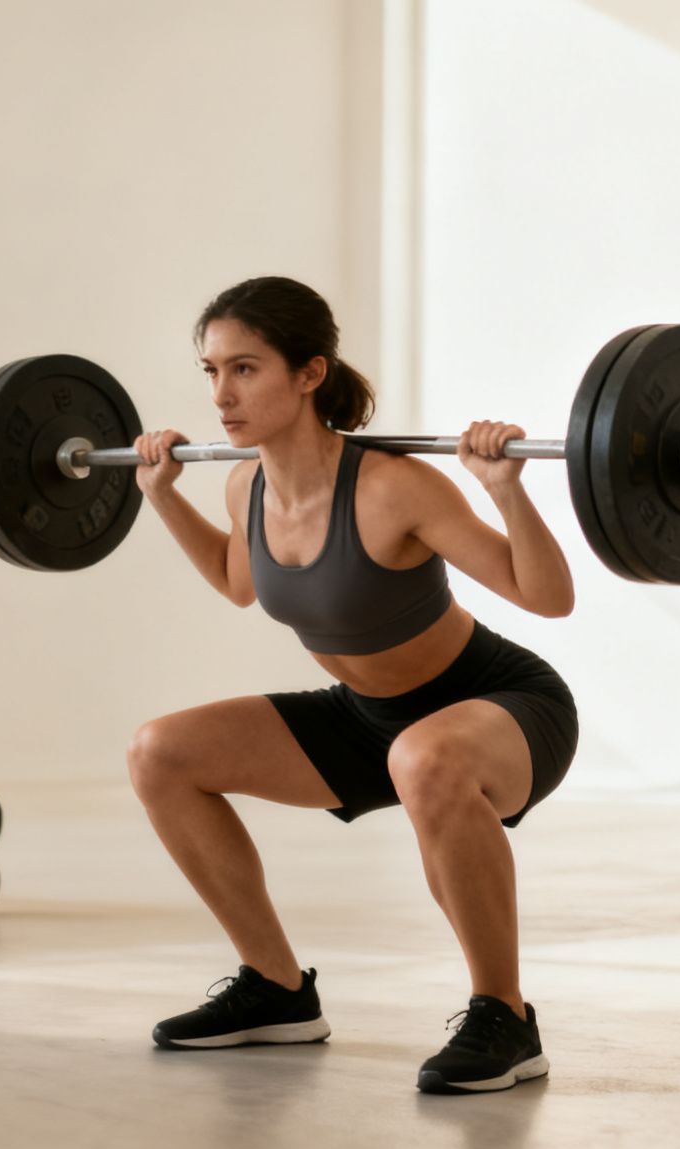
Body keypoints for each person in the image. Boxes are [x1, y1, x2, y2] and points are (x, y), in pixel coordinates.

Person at [125, 275, 579, 1093]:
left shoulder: (390, 486)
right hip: (370, 720)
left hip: (500, 706)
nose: (222, 395)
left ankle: (505, 1017)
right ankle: (275, 991)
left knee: (425, 756)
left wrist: (505, 488)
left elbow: (549, 598)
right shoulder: (244, 482)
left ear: (310, 374)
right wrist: (161, 498)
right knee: (162, 752)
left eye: (246, 369)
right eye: (212, 371)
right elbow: (239, 580)